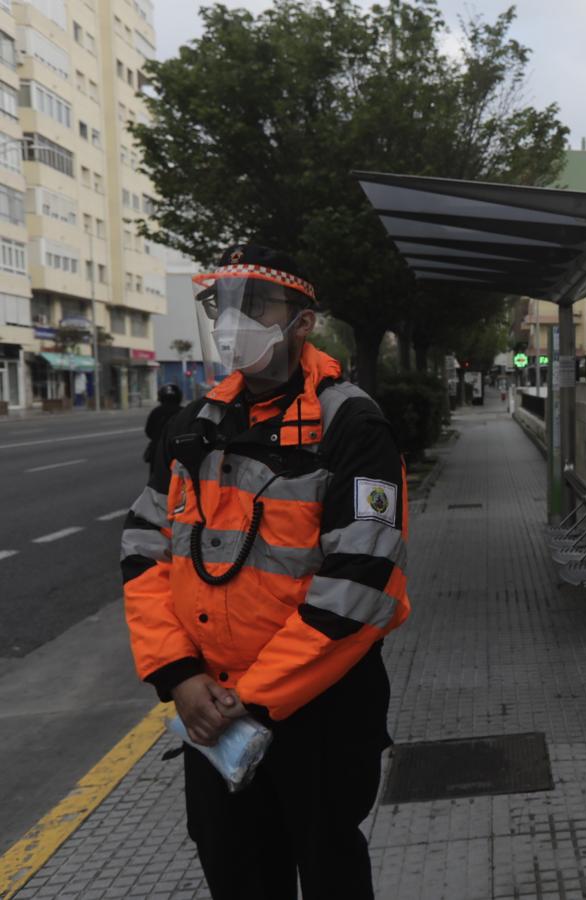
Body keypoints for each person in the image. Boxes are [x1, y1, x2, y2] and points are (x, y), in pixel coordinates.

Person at [120, 244, 411, 900]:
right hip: (211, 710)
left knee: (331, 865)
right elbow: (143, 552)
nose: (232, 321)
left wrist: (246, 700)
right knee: (236, 872)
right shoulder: (190, 427)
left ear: (303, 322)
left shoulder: (352, 426)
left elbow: (361, 584)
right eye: (220, 304)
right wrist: (180, 677)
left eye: (255, 305)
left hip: (320, 714)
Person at [142, 383, 182, 464]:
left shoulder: (156, 412)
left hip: (158, 450)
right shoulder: (183, 411)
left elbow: (148, 431)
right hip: (179, 449)